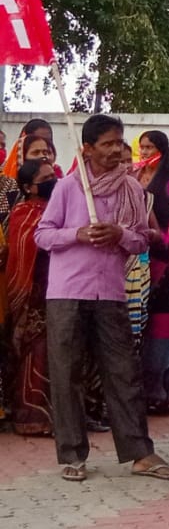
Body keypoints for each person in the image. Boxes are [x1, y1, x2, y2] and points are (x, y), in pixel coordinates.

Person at [33, 114, 169, 483]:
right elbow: (43, 235)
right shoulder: (68, 187)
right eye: (108, 144)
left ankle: (140, 454)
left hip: (112, 292)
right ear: (87, 149)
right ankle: (72, 455)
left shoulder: (131, 188)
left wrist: (118, 234)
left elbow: (141, 239)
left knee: (124, 373)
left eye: (120, 142)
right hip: (67, 293)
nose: (117, 149)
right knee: (67, 374)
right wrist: (78, 234)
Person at [132, 131, 169, 414]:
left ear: (163, 151)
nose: (144, 152)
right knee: (140, 327)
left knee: (163, 325)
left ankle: (165, 393)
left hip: (166, 262)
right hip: (140, 262)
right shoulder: (134, 176)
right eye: (142, 147)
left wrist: (161, 238)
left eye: (150, 147)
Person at [5, 160, 57, 435]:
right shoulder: (22, 213)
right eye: (45, 179)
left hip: (57, 291)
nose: (52, 181)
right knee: (33, 355)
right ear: (28, 187)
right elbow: (22, 250)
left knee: (54, 355)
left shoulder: (57, 209)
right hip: (31, 296)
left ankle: (55, 418)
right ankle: (30, 418)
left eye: (53, 175)